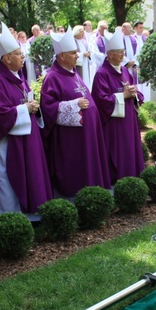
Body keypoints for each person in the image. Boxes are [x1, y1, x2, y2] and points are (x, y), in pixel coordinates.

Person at [0, 24, 52, 220]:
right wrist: (24, 109)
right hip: (5, 140)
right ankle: (8, 216)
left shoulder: (18, 77)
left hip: (25, 136)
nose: (23, 58)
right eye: (18, 54)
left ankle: (30, 213)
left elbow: (24, 100)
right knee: (5, 175)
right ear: (6, 58)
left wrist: (34, 108)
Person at [40, 27, 110, 199]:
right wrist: (74, 105)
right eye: (73, 53)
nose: (77, 55)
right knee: (76, 171)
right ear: (61, 56)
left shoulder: (73, 74)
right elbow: (48, 109)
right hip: (69, 140)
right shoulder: (52, 77)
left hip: (87, 137)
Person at [92, 28, 145, 184]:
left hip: (129, 121)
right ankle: (119, 183)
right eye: (119, 52)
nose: (123, 55)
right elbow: (101, 100)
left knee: (130, 151)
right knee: (118, 153)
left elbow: (135, 92)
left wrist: (135, 94)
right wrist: (124, 96)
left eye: (123, 51)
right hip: (114, 125)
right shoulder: (102, 74)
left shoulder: (124, 71)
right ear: (109, 55)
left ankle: (133, 181)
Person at [73, 25, 94, 90]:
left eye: (83, 32)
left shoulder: (84, 42)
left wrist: (89, 54)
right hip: (79, 65)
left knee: (86, 81)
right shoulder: (73, 41)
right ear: (77, 32)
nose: (83, 33)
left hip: (86, 64)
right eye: (81, 32)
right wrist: (82, 55)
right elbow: (73, 54)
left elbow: (89, 51)